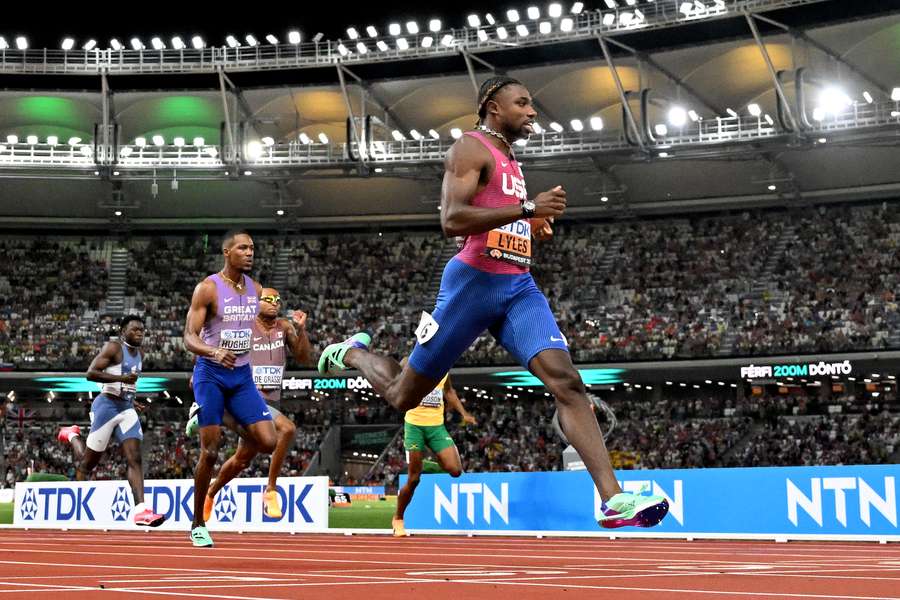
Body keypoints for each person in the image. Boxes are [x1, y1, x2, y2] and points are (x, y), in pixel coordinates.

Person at [319, 76, 668, 529]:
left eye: (532, 103)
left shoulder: (510, 159)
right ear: (492, 106)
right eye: (522, 102)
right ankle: (353, 352)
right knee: (403, 396)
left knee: (568, 383)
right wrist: (526, 210)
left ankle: (612, 499)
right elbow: (451, 219)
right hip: (473, 284)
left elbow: (499, 216)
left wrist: (530, 225)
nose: (532, 111)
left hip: (518, 287)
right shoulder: (469, 148)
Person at [183, 230, 278, 547]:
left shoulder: (257, 289)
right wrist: (213, 352)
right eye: (242, 248)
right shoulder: (207, 289)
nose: (250, 253)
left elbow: (269, 316)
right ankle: (198, 523)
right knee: (210, 452)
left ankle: (211, 413)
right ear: (226, 252)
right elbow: (189, 337)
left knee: (268, 441)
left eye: (252, 248)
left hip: (241, 376)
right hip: (211, 372)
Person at [186, 288, 312, 521]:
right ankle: (271, 491)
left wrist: (301, 330)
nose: (275, 303)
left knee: (241, 461)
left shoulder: (284, 327)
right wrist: (200, 374)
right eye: (268, 299)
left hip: (270, 401)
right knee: (287, 428)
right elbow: (209, 342)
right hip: (247, 395)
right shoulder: (242, 326)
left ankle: (211, 494)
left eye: (278, 300)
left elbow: (304, 358)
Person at [57, 315, 165, 527]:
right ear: (123, 330)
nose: (140, 333)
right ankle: (72, 435)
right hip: (105, 407)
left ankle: (141, 510)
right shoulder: (113, 348)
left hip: (126, 409)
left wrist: (133, 402)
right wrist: (121, 380)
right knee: (88, 463)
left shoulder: (140, 354)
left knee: (134, 457)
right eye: (135, 330)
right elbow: (91, 373)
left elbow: (127, 385)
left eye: (142, 330)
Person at [393, 370, 475, 537]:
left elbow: (449, 392)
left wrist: (464, 413)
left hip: (436, 427)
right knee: (414, 478)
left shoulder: (443, 368)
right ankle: (398, 518)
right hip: (414, 425)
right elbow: (396, 383)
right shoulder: (411, 361)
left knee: (455, 470)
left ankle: (426, 465)